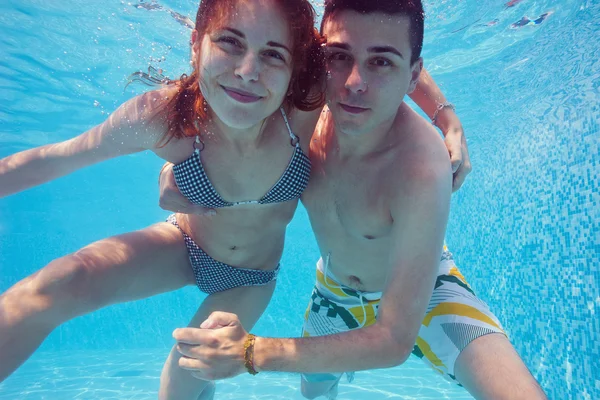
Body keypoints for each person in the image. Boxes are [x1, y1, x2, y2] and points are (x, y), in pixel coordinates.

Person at [0, 0, 456, 399]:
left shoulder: (300, 109)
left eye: (272, 54)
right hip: (181, 247)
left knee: (180, 376)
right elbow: (51, 159)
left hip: (250, 277)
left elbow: (378, 51)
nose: (248, 71)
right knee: (57, 282)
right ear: (197, 44)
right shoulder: (161, 117)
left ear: (294, 64)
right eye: (230, 44)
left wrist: (447, 119)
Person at [163, 1, 548, 399]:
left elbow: (394, 341)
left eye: (381, 64)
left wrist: (252, 351)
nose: (353, 82)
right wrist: (180, 166)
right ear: (317, 58)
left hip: (429, 293)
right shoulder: (301, 119)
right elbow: (217, 104)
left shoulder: (422, 166)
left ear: (412, 75)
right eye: (338, 56)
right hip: (335, 295)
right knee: (313, 396)